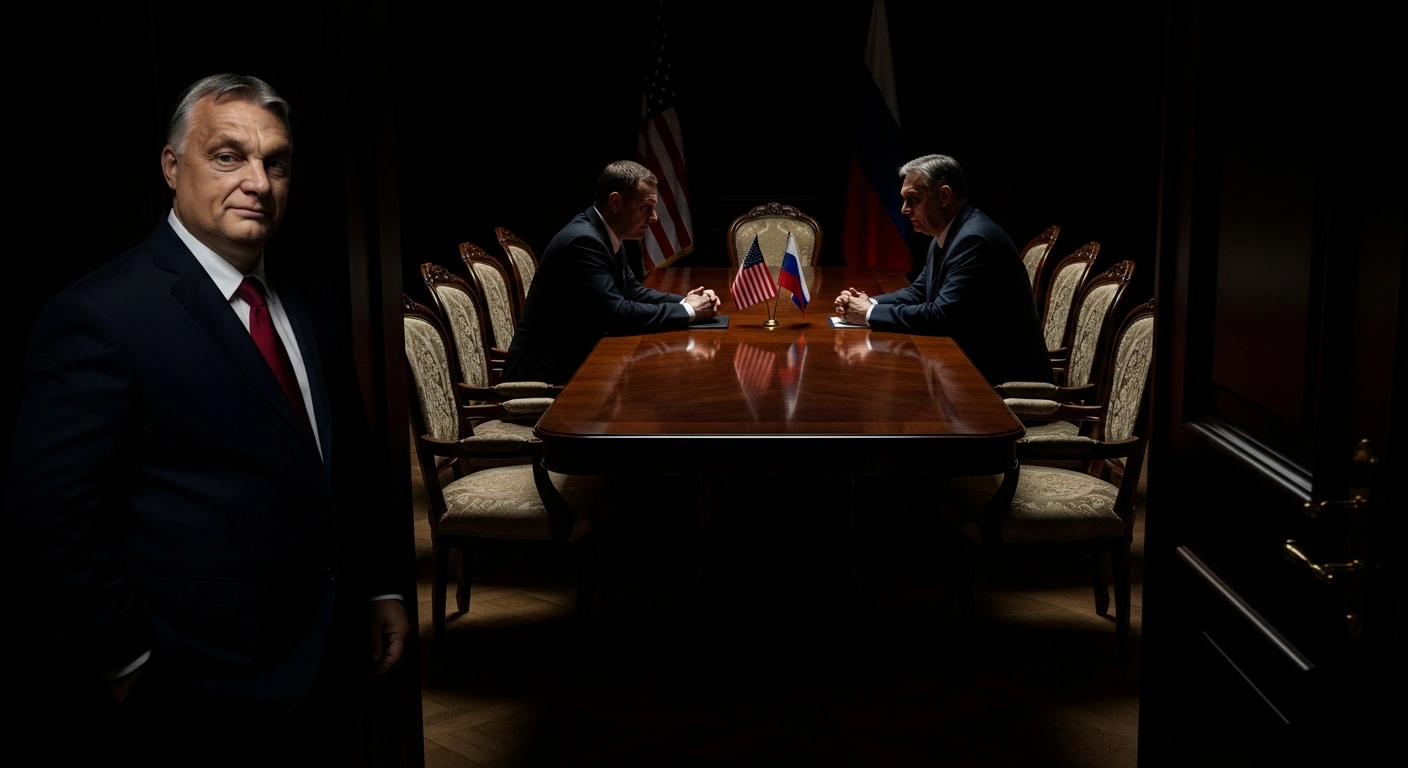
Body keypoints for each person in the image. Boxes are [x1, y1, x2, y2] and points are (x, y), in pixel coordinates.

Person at [3, 74, 407, 761]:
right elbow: (52, 512)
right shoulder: (104, 316)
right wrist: (126, 663)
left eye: (274, 162)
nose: (258, 181)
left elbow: (351, 464)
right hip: (197, 695)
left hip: (330, 667)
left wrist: (380, 587)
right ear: (171, 166)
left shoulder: (312, 302)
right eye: (228, 156)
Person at [833, 154, 1053, 385]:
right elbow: (918, 292)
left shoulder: (974, 239)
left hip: (1007, 378)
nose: (904, 210)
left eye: (914, 199)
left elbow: (942, 316)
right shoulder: (951, 233)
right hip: (973, 363)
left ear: (944, 196)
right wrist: (869, 303)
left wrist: (868, 314)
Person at [504, 160, 722, 385]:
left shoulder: (604, 233)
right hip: (542, 376)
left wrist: (686, 301)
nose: (654, 217)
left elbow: (633, 292)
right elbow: (617, 314)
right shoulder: (583, 241)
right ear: (616, 202)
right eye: (645, 207)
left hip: (573, 360)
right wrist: (688, 311)